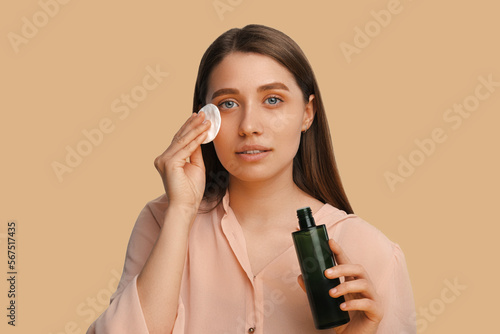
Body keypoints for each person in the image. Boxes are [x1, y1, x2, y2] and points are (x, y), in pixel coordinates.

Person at [86, 24, 416, 334]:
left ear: (307, 113)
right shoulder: (161, 222)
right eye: (228, 104)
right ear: (205, 120)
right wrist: (181, 211)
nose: (248, 125)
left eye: (273, 99)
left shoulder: (372, 253)